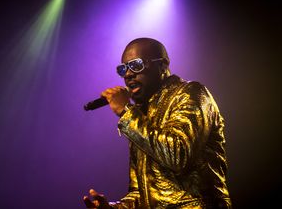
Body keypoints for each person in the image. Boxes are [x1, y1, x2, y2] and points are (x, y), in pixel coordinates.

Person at [83, 38, 232, 208]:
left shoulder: (191, 94)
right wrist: (112, 208)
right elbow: (142, 193)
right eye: (123, 69)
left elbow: (178, 155)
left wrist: (125, 112)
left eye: (136, 65)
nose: (128, 74)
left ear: (162, 65)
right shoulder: (141, 114)